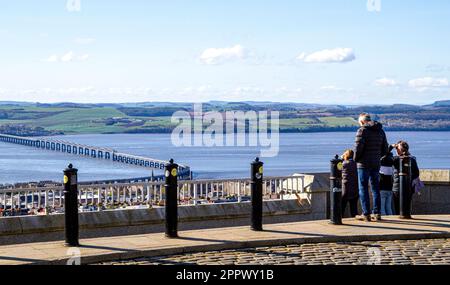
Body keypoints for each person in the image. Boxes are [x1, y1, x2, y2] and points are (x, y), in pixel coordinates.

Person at [354, 113, 389, 222]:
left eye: (359, 122)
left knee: (363, 188)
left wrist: (355, 159)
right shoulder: (380, 131)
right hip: (375, 163)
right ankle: (377, 213)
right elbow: (385, 149)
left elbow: (358, 148)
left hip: (363, 164)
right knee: (375, 189)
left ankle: (366, 214)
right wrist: (378, 157)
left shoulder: (362, 131)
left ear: (362, 122)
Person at [390, 141, 420, 215]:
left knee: (398, 209)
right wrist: (409, 179)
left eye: (397, 148)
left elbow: (383, 158)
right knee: (407, 207)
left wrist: (391, 147)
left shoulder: (396, 159)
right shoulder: (412, 159)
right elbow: (416, 173)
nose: (396, 150)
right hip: (409, 187)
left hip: (397, 188)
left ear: (400, 149)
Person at [341, 149, 359, 217]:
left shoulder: (344, 164)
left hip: (346, 188)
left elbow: (337, 167)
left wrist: (342, 158)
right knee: (354, 208)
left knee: (342, 207)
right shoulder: (356, 163)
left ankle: (339, 219)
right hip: (355, 189)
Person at [380, 151, 394, 216]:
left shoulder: (380, 168)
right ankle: (391, 218)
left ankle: (385, 220)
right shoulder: (392, 167)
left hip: (382, 188)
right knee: (388, 207)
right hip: (390, 188)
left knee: (382, 207)